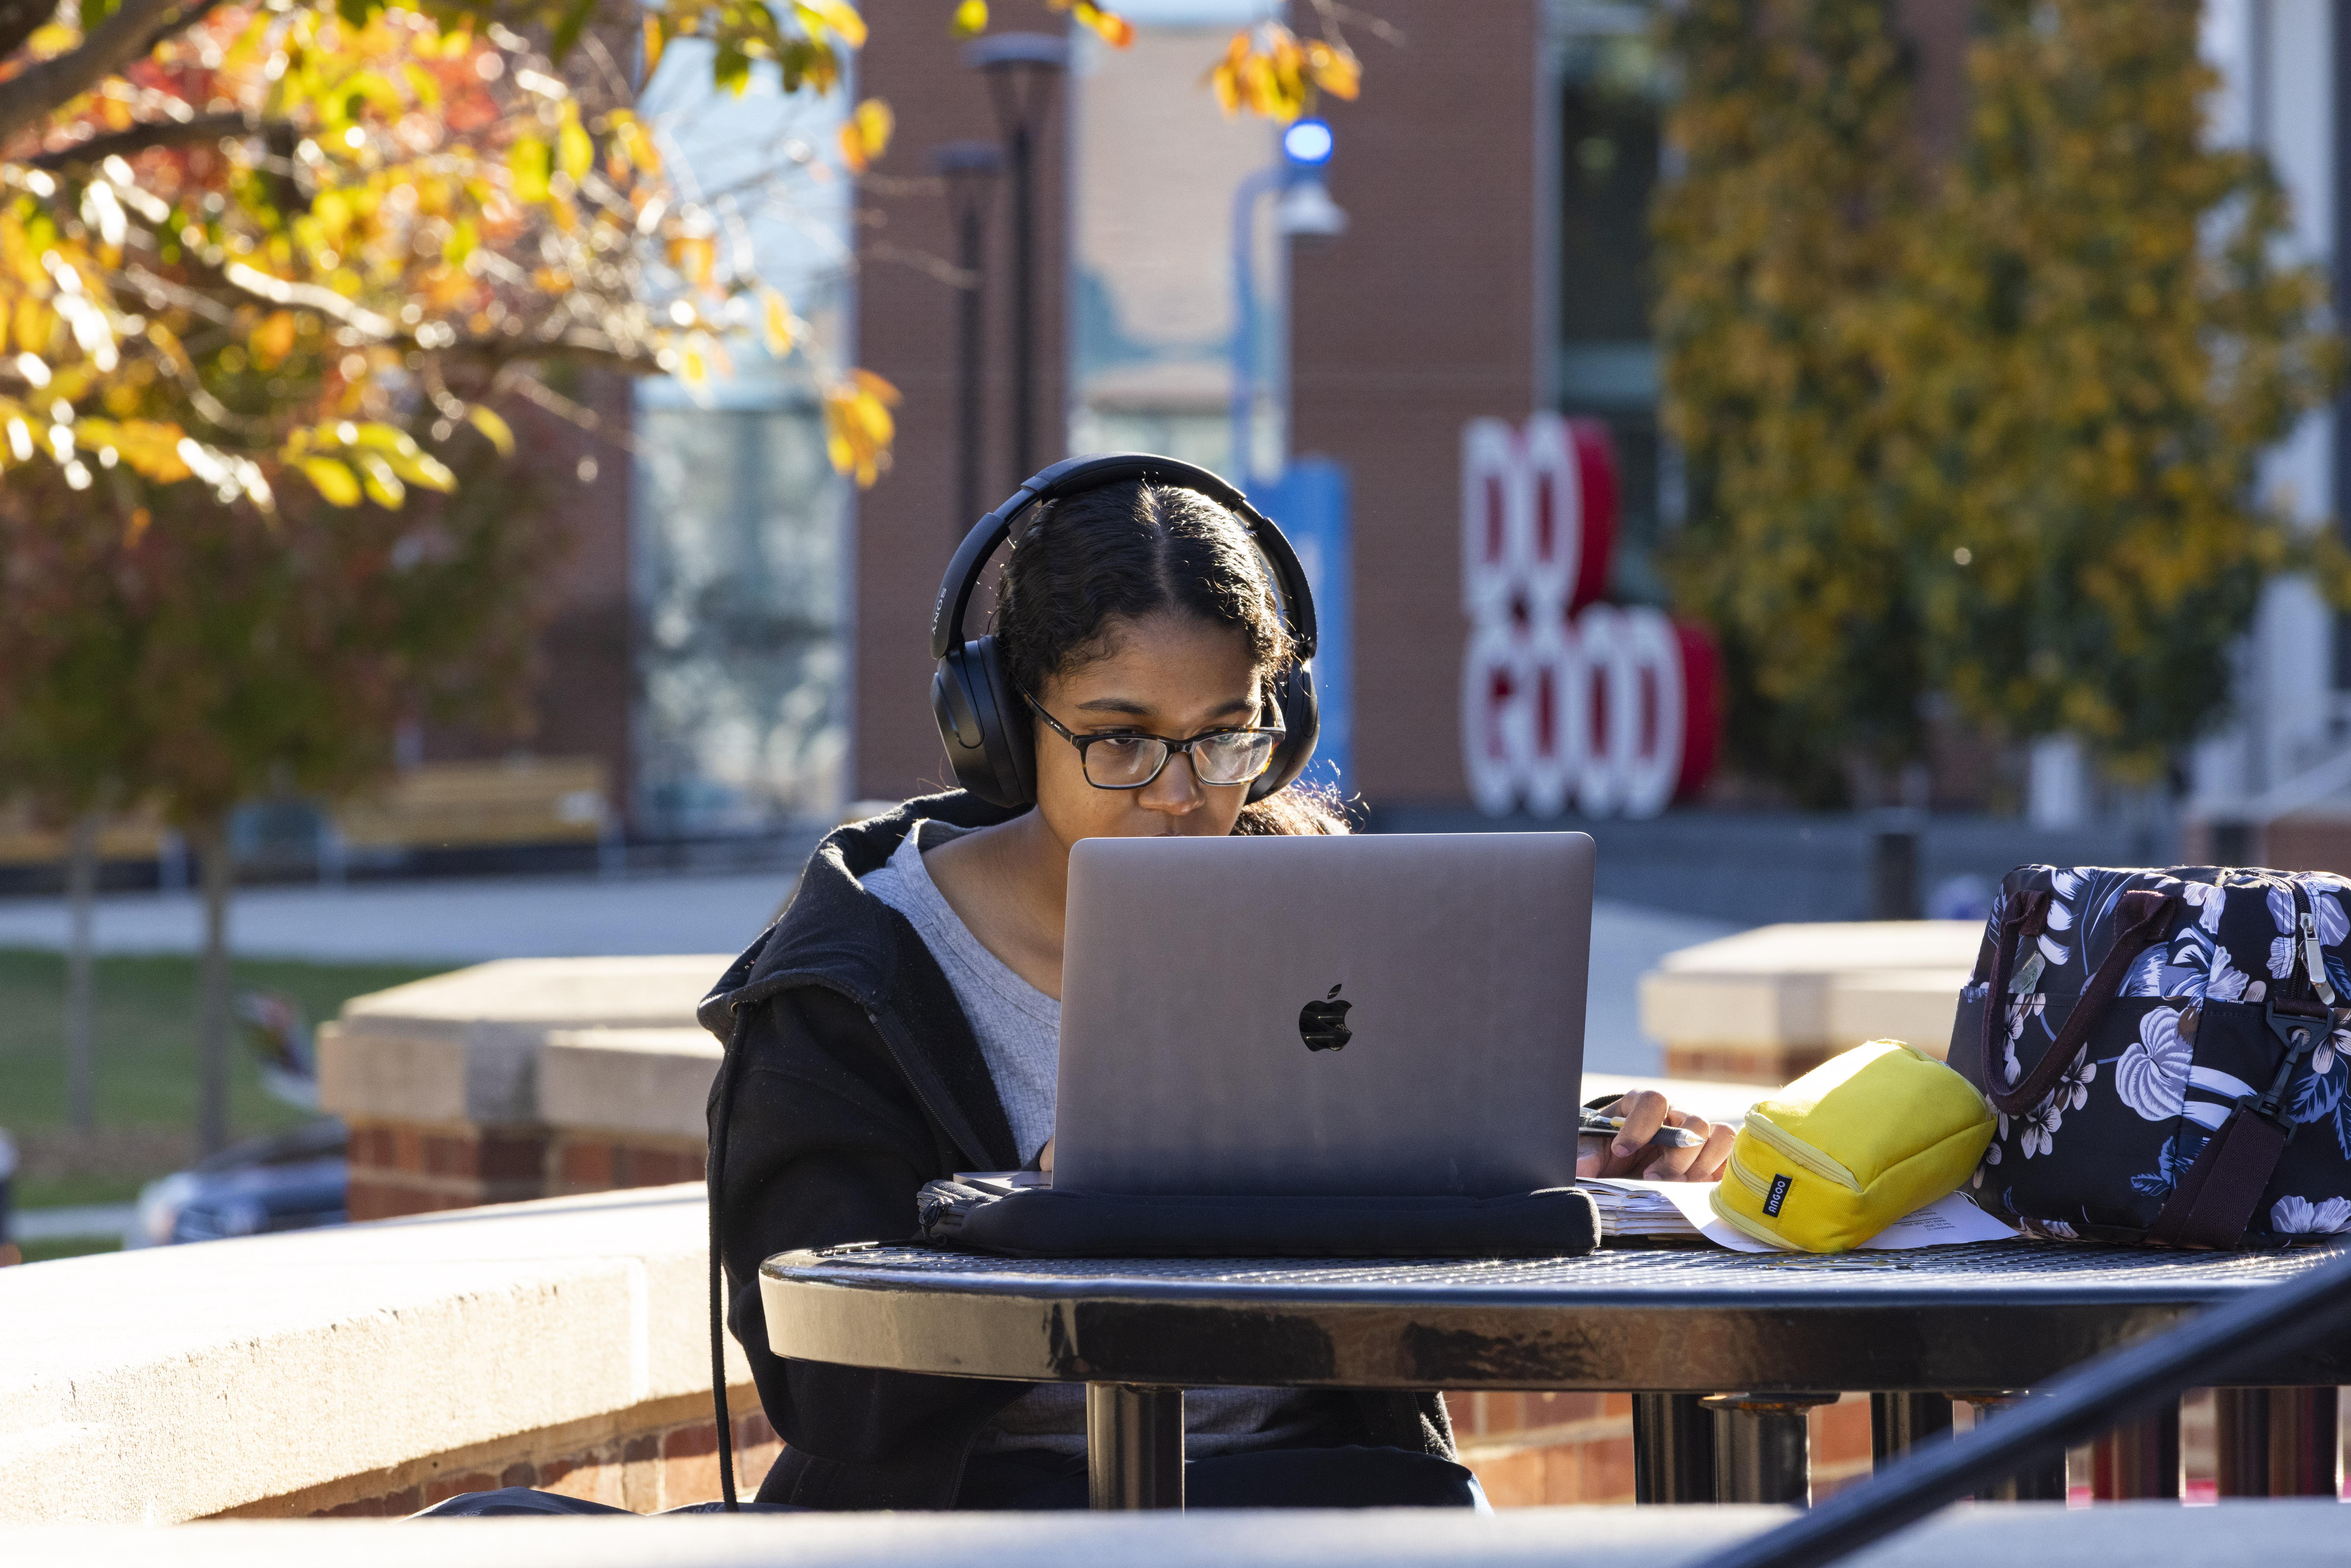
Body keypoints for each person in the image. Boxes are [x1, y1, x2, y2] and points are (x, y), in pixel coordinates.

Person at [420, 466, 1729, 1519]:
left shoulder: (1313, 900)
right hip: (988, 1523)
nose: (1181, 791)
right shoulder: (853, 978)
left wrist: (1572, 1150)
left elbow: (1393, 1201)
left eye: (1225, 733)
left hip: (1320, 1504)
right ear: (999, 724)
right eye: (1117, 738)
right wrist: (1039, 1225)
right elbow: (830, 1388)